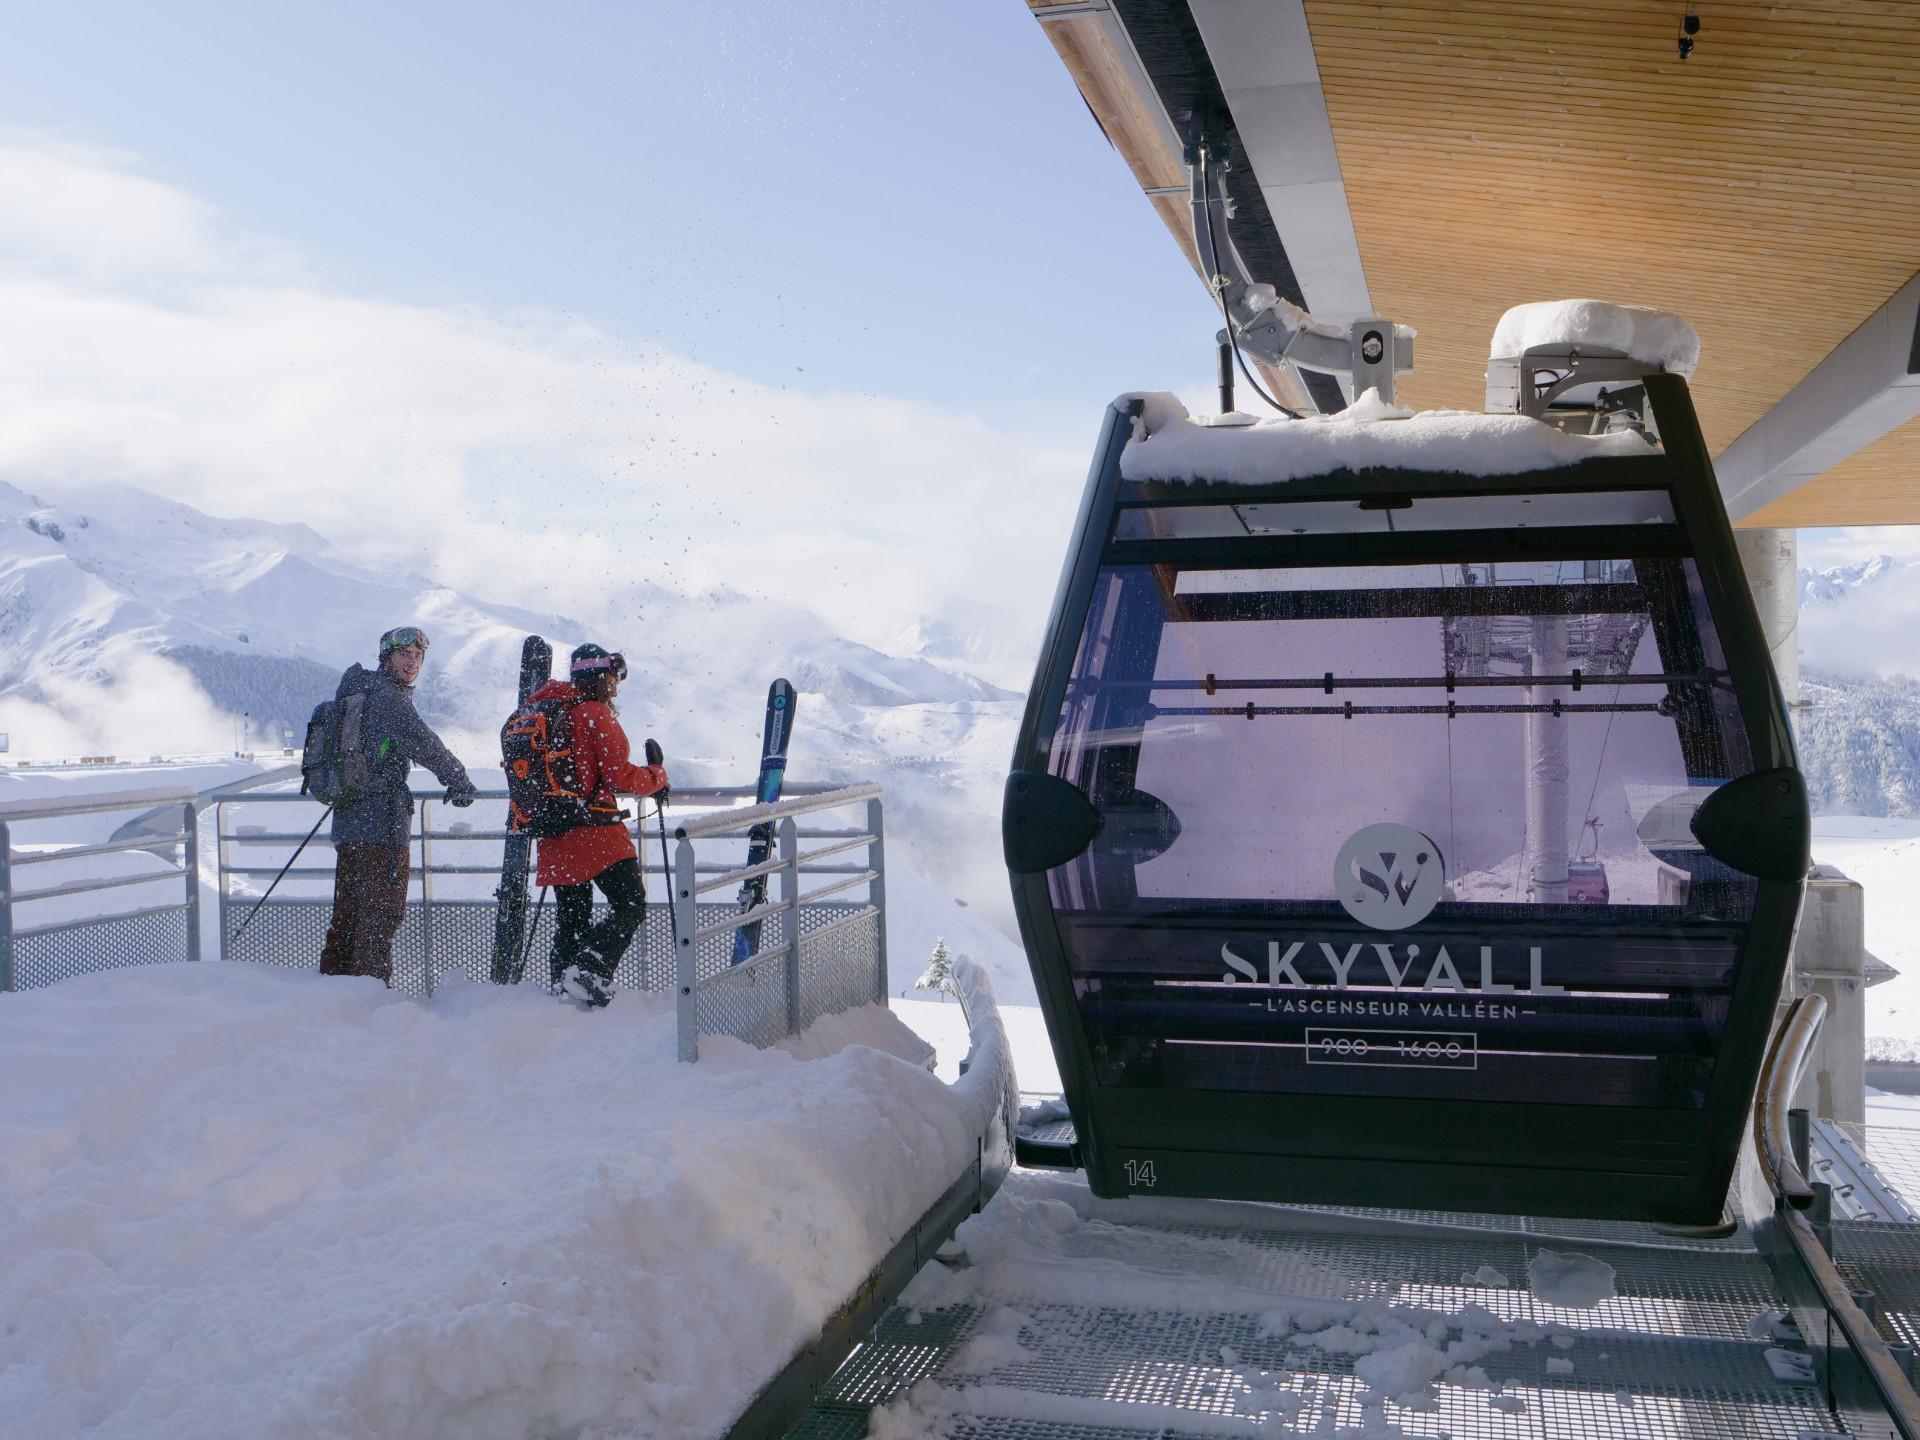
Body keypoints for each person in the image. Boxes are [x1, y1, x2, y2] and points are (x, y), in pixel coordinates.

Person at [319, 625, 476, 984]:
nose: (412, 662)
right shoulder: (389, 699)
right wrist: (460, 781)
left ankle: (330, 992)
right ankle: (368, 996)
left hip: (349, 821)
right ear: (386, 656)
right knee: (379, 916)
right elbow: (427, 744)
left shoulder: (358, 692)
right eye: (405, 654)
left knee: (349, 914)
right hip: (381, 827)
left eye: (418, 656)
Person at [530, 643, 669, 1007]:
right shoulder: (594, 714)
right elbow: (619, 775)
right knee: (630, 903)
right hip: (595, 830)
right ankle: (589, 970)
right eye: (616, 678)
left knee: (572, 919)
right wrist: (656, 776)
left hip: (554, 829)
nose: (617, 687)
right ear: (605, 676)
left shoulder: (546, 709)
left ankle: (564, 995)